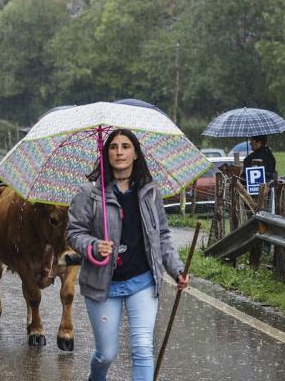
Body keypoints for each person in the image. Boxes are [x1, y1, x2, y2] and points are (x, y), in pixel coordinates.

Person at [66, 129, 189, 381]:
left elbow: (162, 236)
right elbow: (74, 233)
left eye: (125, 146)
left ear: (135, 154)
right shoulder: (89, 193)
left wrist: (176, 269)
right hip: (103, 284)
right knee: (106, 354)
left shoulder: (149, 192)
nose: (119, 152)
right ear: (106, 153)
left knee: (143, 348)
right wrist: (93, 245)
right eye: (113, 147)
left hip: (141, 281)